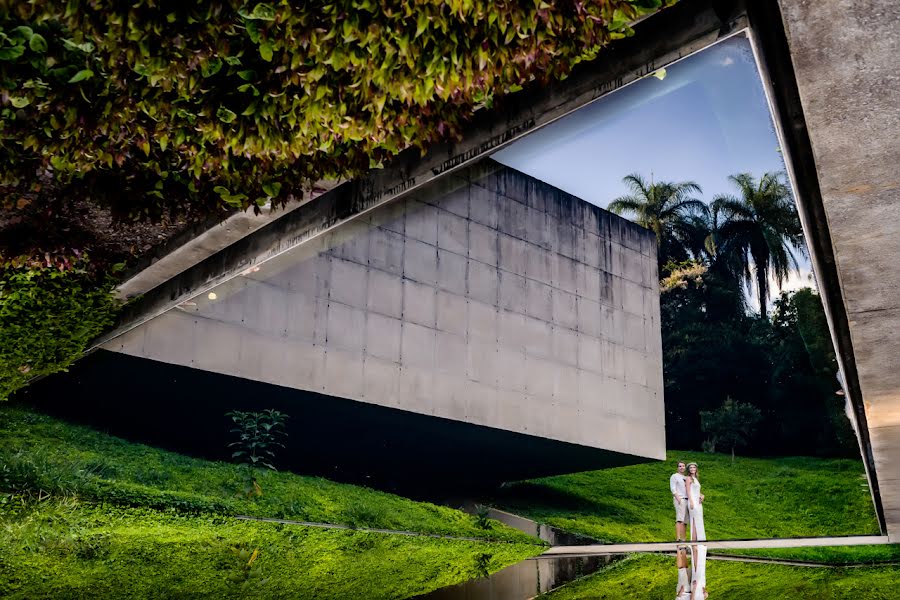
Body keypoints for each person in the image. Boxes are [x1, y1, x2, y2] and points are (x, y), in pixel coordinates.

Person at [685, 462, 705, 541]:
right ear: (689, 470)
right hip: (693, 502)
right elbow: (688, 491)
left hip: (698, 502)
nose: (693, 469)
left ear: (696, 469)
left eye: (694, 467)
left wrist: (702, 495)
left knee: (699, 521)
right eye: (691, 468)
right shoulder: (688, 478)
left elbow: (696, 491)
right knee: (694, 522)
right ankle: (693, 543)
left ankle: (699, 540)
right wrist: (691, 502)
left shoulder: (696, 479)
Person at [669, 460, 689, 541]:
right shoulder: (674, 476)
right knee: (679, 519)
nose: (681, 467)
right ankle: (678, 538)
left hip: (687, 500)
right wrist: (679, 499)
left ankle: (684, 539)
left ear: (685, 467)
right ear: (677, 468)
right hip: (680, 499)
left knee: (685, 521)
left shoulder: (686, 477)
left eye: (683, 466)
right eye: (680, 466)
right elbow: (673, 489)